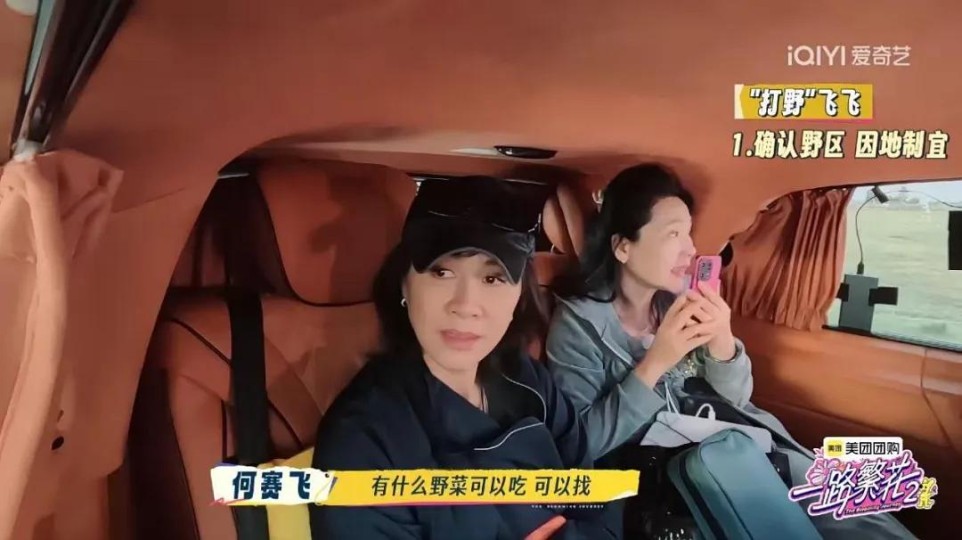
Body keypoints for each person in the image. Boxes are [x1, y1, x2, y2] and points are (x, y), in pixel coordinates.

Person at [544, 163, 917, 539]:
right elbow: (581, 444)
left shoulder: (679, 301)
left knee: (861, 514)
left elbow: (737, 398)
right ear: (624, 247)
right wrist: (655, 364)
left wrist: (722, 341)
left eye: (688, 232)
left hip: (736, 447)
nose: (690, 249)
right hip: (670, 477)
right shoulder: (578, 324)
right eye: (673, 233)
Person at [309, 176, 622, 540]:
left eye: (493, 279)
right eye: (442, 272)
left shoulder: (529, 381)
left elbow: (597, 503)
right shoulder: (363, 438)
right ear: (404, 284)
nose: (466, 305)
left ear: (519, 295)